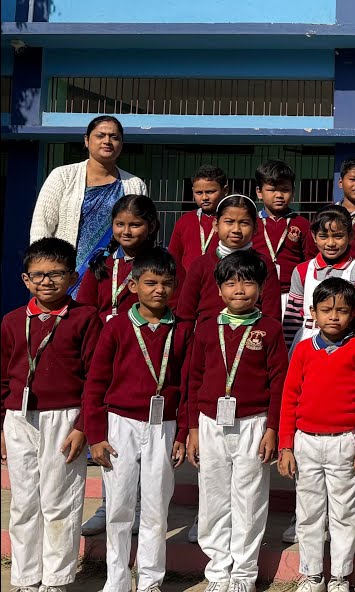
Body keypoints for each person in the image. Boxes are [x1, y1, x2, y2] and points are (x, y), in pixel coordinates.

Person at [82, 248, 190, 592]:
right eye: (150, 282)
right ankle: (116, 581)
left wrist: (182, 433)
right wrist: (96, 435)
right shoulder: (115, 327)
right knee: (119, 508)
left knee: (156, 508)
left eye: (167, 283)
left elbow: (187, 385)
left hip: (164, 425)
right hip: (120, 425)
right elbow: (95, 382)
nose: (159, 289)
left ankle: (150, 581)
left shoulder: (183, 330)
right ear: (133, 285)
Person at [2, 238, 103, 592]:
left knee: (60, 500)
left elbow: (95, 377)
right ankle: (27, 578)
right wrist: (3, 424)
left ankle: (57, 580)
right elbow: (3, 378)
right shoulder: (13, 321)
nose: (47, 282)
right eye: (38, 275)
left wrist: (82, 427)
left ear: (73, 276)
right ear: (26, 280)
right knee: (25, 502)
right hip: (20, 419)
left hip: (64, 419)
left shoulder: (85, 318)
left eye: (56, 274)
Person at [185, 250, 287, 591]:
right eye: (230, 283)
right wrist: (193, 429)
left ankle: (244, 573)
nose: (239, 289)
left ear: (260, 288)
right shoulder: (205, 328)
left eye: (248, 282)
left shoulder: (269, 330)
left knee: (250, 498)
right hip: (210, 422)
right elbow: (193, 379)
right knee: (213, 497)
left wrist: (272, 428)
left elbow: (278, 384)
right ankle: (217, 571)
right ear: (218, 290)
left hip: (254, 423)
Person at [277, 278, 355, 592]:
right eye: (326, 310)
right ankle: (312, 574)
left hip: (345, 442)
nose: (334, 316)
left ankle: (340, 576)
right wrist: (286, 445)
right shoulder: (303, 350)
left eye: (342, 310)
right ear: (313, 313)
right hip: (306, 441)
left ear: (351, 314)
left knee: (345, 512)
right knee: (308, 511)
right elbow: (289, 398)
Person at [31, 116, 148, 292]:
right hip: (66, 275)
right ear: (86, 140)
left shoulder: (135, 184)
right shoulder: (62, 176)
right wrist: (44, 272)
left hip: (115, 274)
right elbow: (41, 227)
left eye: (114, 137)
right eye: (100, 135)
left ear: (121, 144)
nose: (107, 141)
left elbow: (144, 232)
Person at [176, 195, 283, 327]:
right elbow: (185, 314)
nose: (236, 230)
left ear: (255, 227)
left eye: (244, 223)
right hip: (206, 344)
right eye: (229, 222)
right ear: (215, 224)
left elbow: (272, 317)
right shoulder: (201, 265)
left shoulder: (264, 265)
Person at [283, 205, 355, 347]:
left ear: (351, 236)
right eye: (323, 236)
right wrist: (287, 347)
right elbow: (293, 316)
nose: (330, 243)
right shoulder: (302, 270)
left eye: (338, 236)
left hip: (345, 343)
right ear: (314, 236)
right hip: (305, 342)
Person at [76, 194, 164, 323]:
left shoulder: (163, 264)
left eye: (135, 225)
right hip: (104, 339)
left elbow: (176, 307)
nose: (126, 231)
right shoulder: (101, 265)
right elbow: (84, 311)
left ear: (151, 226)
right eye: (120, 224)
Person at [252, 160, 314, 297]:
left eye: (285, 190)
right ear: (259, 192)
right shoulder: (251, 223)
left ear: (293, 191)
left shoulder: (302, 224)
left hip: (292, 293)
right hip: (256, 293)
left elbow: (309, 260)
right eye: (272, 190)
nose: (279, 195)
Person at [169, 165, 228, 271]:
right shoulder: (185, 221)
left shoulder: (231, 222)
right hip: (188, 284)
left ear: (225, 190)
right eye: (199, 193)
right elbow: (174, 256)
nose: (204, 197)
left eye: (210, 192)